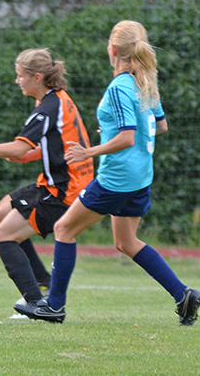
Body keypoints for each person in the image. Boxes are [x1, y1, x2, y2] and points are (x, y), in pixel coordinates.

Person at [15, 20, 200, 325]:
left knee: (64, 230)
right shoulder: (145, 81)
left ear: (112, 49)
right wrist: (113, 131)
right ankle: (184, 295)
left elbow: (127, 137)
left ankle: (54, 306)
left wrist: (89, 151)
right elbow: (160, 125)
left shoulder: (120, 86)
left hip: (117, 178)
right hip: (141, 177)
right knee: (126, 243)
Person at [0, 48, 94, 313]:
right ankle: (43, 282)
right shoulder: (57, 100)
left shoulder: (48, 108)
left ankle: (37, 304)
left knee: (3, 237)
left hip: (64, 191)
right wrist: (32, 154)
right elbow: (63, 143)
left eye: (20, 76)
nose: (17, 81)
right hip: (60, 183)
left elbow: (17, 148)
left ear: (37, 77)